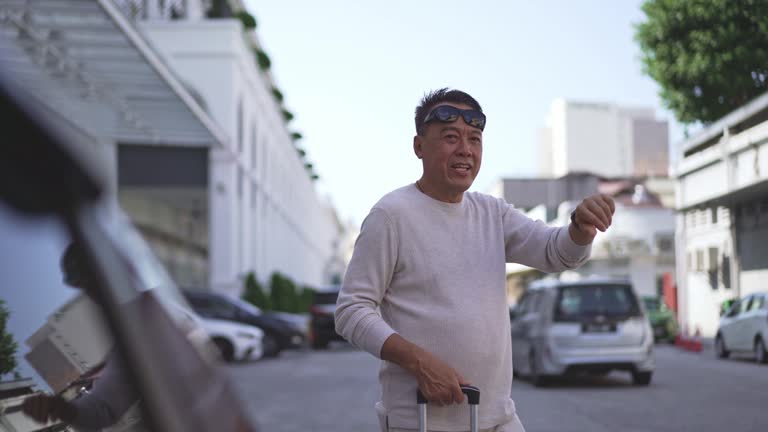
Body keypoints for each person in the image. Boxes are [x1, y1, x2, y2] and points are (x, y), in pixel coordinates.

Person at [335, 88, 615, 432]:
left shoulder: (491, 212)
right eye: (450, 137)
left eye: (475, 139)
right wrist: (419, 362)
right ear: (419, 146)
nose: (465, 150)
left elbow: (554, 252)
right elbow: (351, 310)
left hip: (498, 419)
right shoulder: (391, 215)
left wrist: (580, 228)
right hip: (421, 422)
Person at [22, 242, 142, 431]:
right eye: (83, 284)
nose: (91, 291)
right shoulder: (129, 341)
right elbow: (102, 410)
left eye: (90, 276)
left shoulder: (163, 308)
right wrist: (59, 407)